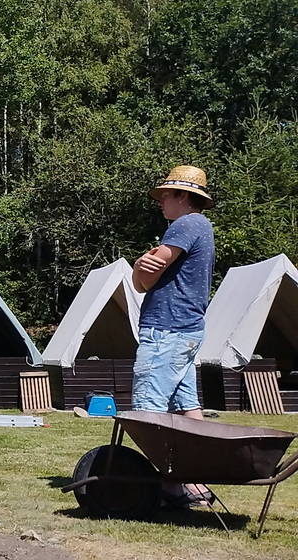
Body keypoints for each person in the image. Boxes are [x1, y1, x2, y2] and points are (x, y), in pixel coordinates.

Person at [131, 165, 215, 508]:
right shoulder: (201, 226)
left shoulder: (185, 224)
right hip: (186, 330)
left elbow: (149, 273)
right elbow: (141, 282)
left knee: (147, 410)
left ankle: (174, 485)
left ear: (183, 197)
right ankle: (199, 483)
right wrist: (139, 267)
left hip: (167, 329)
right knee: (186, 408)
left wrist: (141, 265)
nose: (161, 201)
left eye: (166, 195)